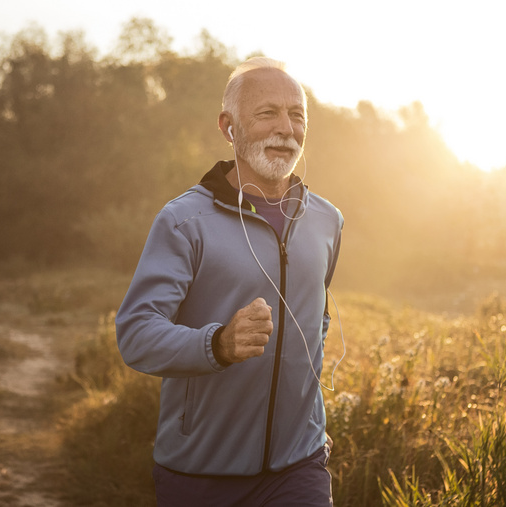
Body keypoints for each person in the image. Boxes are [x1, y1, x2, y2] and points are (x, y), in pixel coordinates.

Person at [115, 56, 343, 506]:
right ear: (229, 127)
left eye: (297, 115)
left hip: (300, 467)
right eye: (267, 113)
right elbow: (136, 333)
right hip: (201, 471)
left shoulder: (327, 220)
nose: (286, 128)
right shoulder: (184, 221)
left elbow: (317, 320)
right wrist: (217, 344)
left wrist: (307, 423)